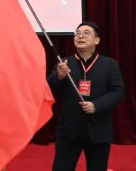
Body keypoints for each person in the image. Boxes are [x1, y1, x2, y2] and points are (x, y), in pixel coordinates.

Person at [48, 21, 125, 171]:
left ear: (97, 40)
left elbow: (118, 92)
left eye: (86, 33)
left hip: (98, 129)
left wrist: (96, 105)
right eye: (77, 34)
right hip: (69, 130)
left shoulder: (110, 65)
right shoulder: (64, 63)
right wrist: (58, 76)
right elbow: (49, 89)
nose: (80, 36)